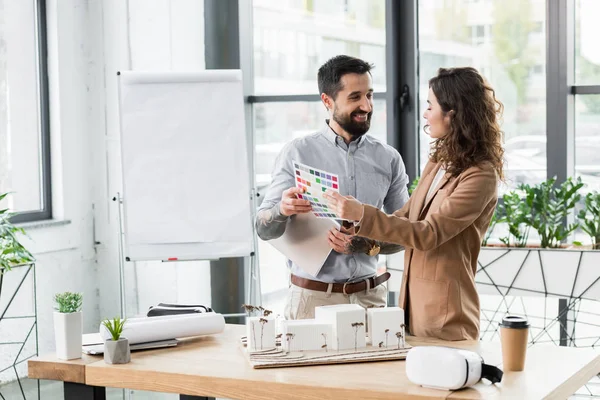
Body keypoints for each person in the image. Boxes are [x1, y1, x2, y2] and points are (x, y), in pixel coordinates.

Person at [324, 67, 504, 340]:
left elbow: (428, 233)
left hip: (447, 315)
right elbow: (406, 216)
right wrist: (360, 230)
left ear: (452, 112)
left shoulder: (480, 175)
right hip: (410, 307)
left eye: (430, 105)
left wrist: (363, 213)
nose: (425, 113)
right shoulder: (440, 161)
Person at [256, 55, 410, 320]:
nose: (366, 105)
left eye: (370, 95)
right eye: (355, 97)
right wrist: (282, 209)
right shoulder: (297, 154)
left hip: (370, 301)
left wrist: (365, 244)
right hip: (311, 301)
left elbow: (406, 233)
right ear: (327, 101)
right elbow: (262, 228)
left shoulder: (388, 158)